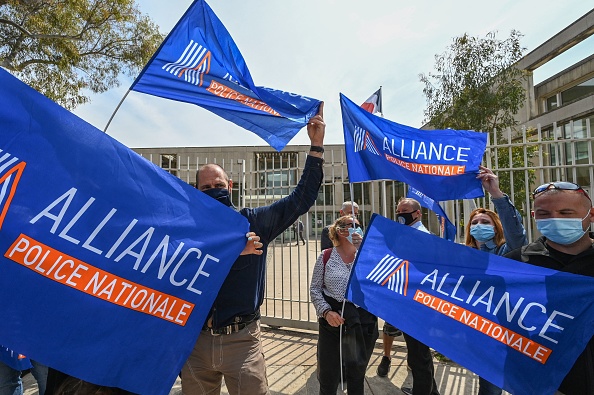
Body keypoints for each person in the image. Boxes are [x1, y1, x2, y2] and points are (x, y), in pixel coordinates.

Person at [181, 103, 326, 395]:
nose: (213, 190)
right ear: (197, 191)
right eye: (207, 187)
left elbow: (300, 200)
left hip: (242, 341)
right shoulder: (188, 230)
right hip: (196, 340)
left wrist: (317, 146)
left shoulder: (255, 223)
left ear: (230, 186)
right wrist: (235, 251)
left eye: (218, 184)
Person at [505, 181, 594, 395]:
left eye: (566, 212)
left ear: (591, 215)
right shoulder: (516, 264)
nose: (555, 219)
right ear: (535, 217)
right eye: (544, 214)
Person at [465, 166, 528, 395]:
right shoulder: (466, 256)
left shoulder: (508, 251)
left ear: (496, 227)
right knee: (488, 387)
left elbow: (516, 232)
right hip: (481, 329)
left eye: (485, 222)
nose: (479, 226)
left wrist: (496, 194)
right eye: (475, 223)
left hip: (510, 328)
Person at [377, 197, 440, 395]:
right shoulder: (404, 234)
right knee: (418, 354)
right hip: (407, 303)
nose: (400, 214)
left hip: (418, 305)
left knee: (418, 357)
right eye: (398, 210)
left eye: (404, 210)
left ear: (417, 213)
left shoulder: (422, 236)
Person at [310, 215, 375, 395]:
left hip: (360, 321)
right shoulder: (326, 256)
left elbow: (377, 285)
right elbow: (315, 289)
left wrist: (362, 249)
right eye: (353, 225)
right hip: (333, 322)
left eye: (359, 226)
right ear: (340, 230)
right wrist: (326, 312)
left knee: (357, 373)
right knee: (329, 374)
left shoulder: (366, 256)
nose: (358, 228)